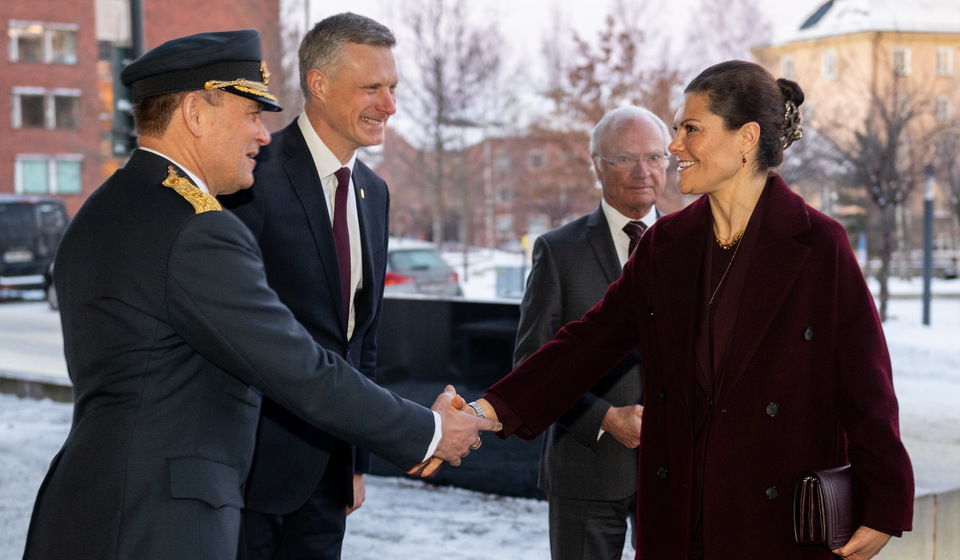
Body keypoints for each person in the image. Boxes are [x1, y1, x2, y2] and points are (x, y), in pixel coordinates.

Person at [21, 29, 496, 560]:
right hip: (163, 523)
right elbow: (296, 365)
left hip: (97, 506)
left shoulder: (107, 207)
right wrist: (427, 431)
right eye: (250, 114)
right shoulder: (196, 228)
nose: (263, 135)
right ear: (197, 115)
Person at [461, 61, 915, 559]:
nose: (674, 145)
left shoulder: (819, 244)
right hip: (679, 518)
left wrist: (885, 499)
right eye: (677, 129)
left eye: (690, 129)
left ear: (746, 139)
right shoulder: (666, 246)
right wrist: (486, 412)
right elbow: (586, 342)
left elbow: (866, 383)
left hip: (774, 520)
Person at [219, 13, 398, 559]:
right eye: (372, 88)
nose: (389, 105)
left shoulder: (375, 191)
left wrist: (355, 461)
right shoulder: (251, 175)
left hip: (329, 475)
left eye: (392, 88)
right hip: (248, 477)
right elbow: (227, 329)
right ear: (318, 85)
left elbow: (360, 337)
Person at [513, 105, 668, 560]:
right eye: (624, 159)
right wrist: (604, 418)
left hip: (675, 470)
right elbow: (532, 366)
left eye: (655, 157)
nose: (643, 171)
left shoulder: (694, 245)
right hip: (586, 465)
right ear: (597, 164)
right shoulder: (558, 252)